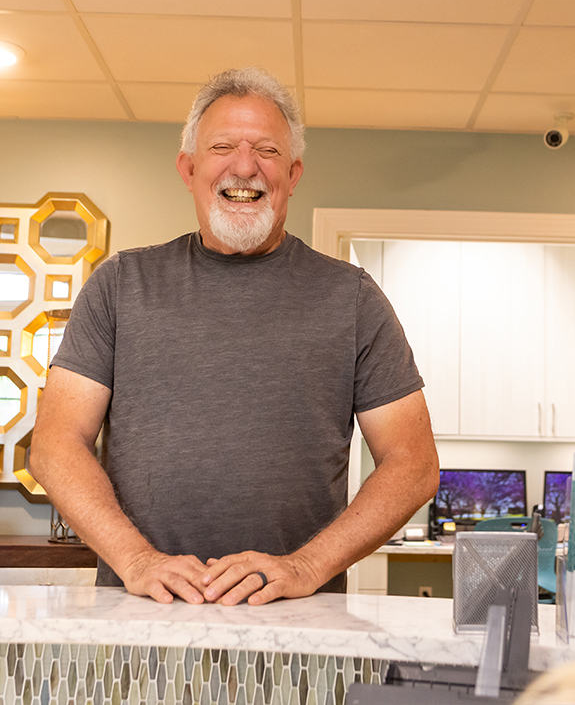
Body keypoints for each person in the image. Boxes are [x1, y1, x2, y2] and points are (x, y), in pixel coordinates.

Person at [30, 67, 439, 607]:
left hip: (297, 630)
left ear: (292, 173)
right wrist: (135, 559)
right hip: (145, 620)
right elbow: (56, 444)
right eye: (223, 146)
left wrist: (306, 565)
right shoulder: (120, 286)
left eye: (266, 151)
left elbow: (413, 462)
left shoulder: (353, 299)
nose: (244, 167)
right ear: (189, 167)